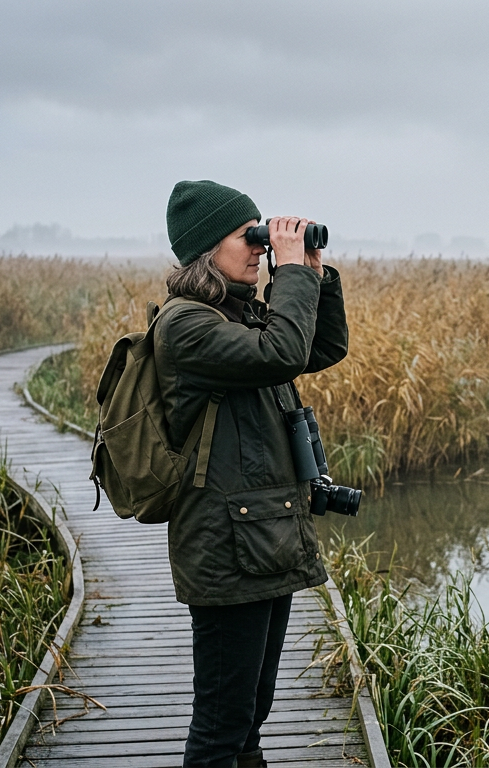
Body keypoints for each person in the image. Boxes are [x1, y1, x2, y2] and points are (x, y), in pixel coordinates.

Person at [155, 180, 348, 768]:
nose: (264, 246)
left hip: (265, 537)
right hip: (225, 546)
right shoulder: (187, 326)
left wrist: (311, 273)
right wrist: (290, 275)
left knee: (250, 721)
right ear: (206, 247)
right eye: (251, 236)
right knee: (221, 726)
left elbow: (319, 348)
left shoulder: (234, 316)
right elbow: (282, 354)